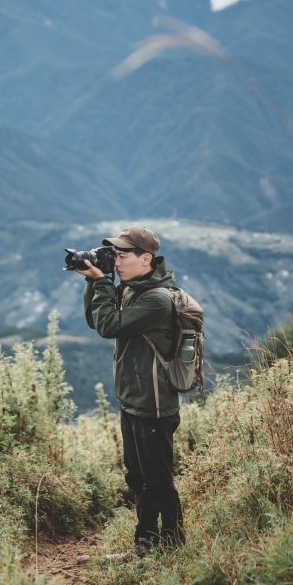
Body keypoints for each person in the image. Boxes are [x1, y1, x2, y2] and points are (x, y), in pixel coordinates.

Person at [76, 225, 185, 555]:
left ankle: (173, 543)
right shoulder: (131, 290)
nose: (116, 262)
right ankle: (145, 542)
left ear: (146, 258)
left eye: (123, 256)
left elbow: (109, 326)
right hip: (133, 402)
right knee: (137, 477)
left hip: (154, 406)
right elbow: (96, 320)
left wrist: (101, 283)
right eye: (115, 255)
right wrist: (93, 282)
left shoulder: (156, 299)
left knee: (158, 480)